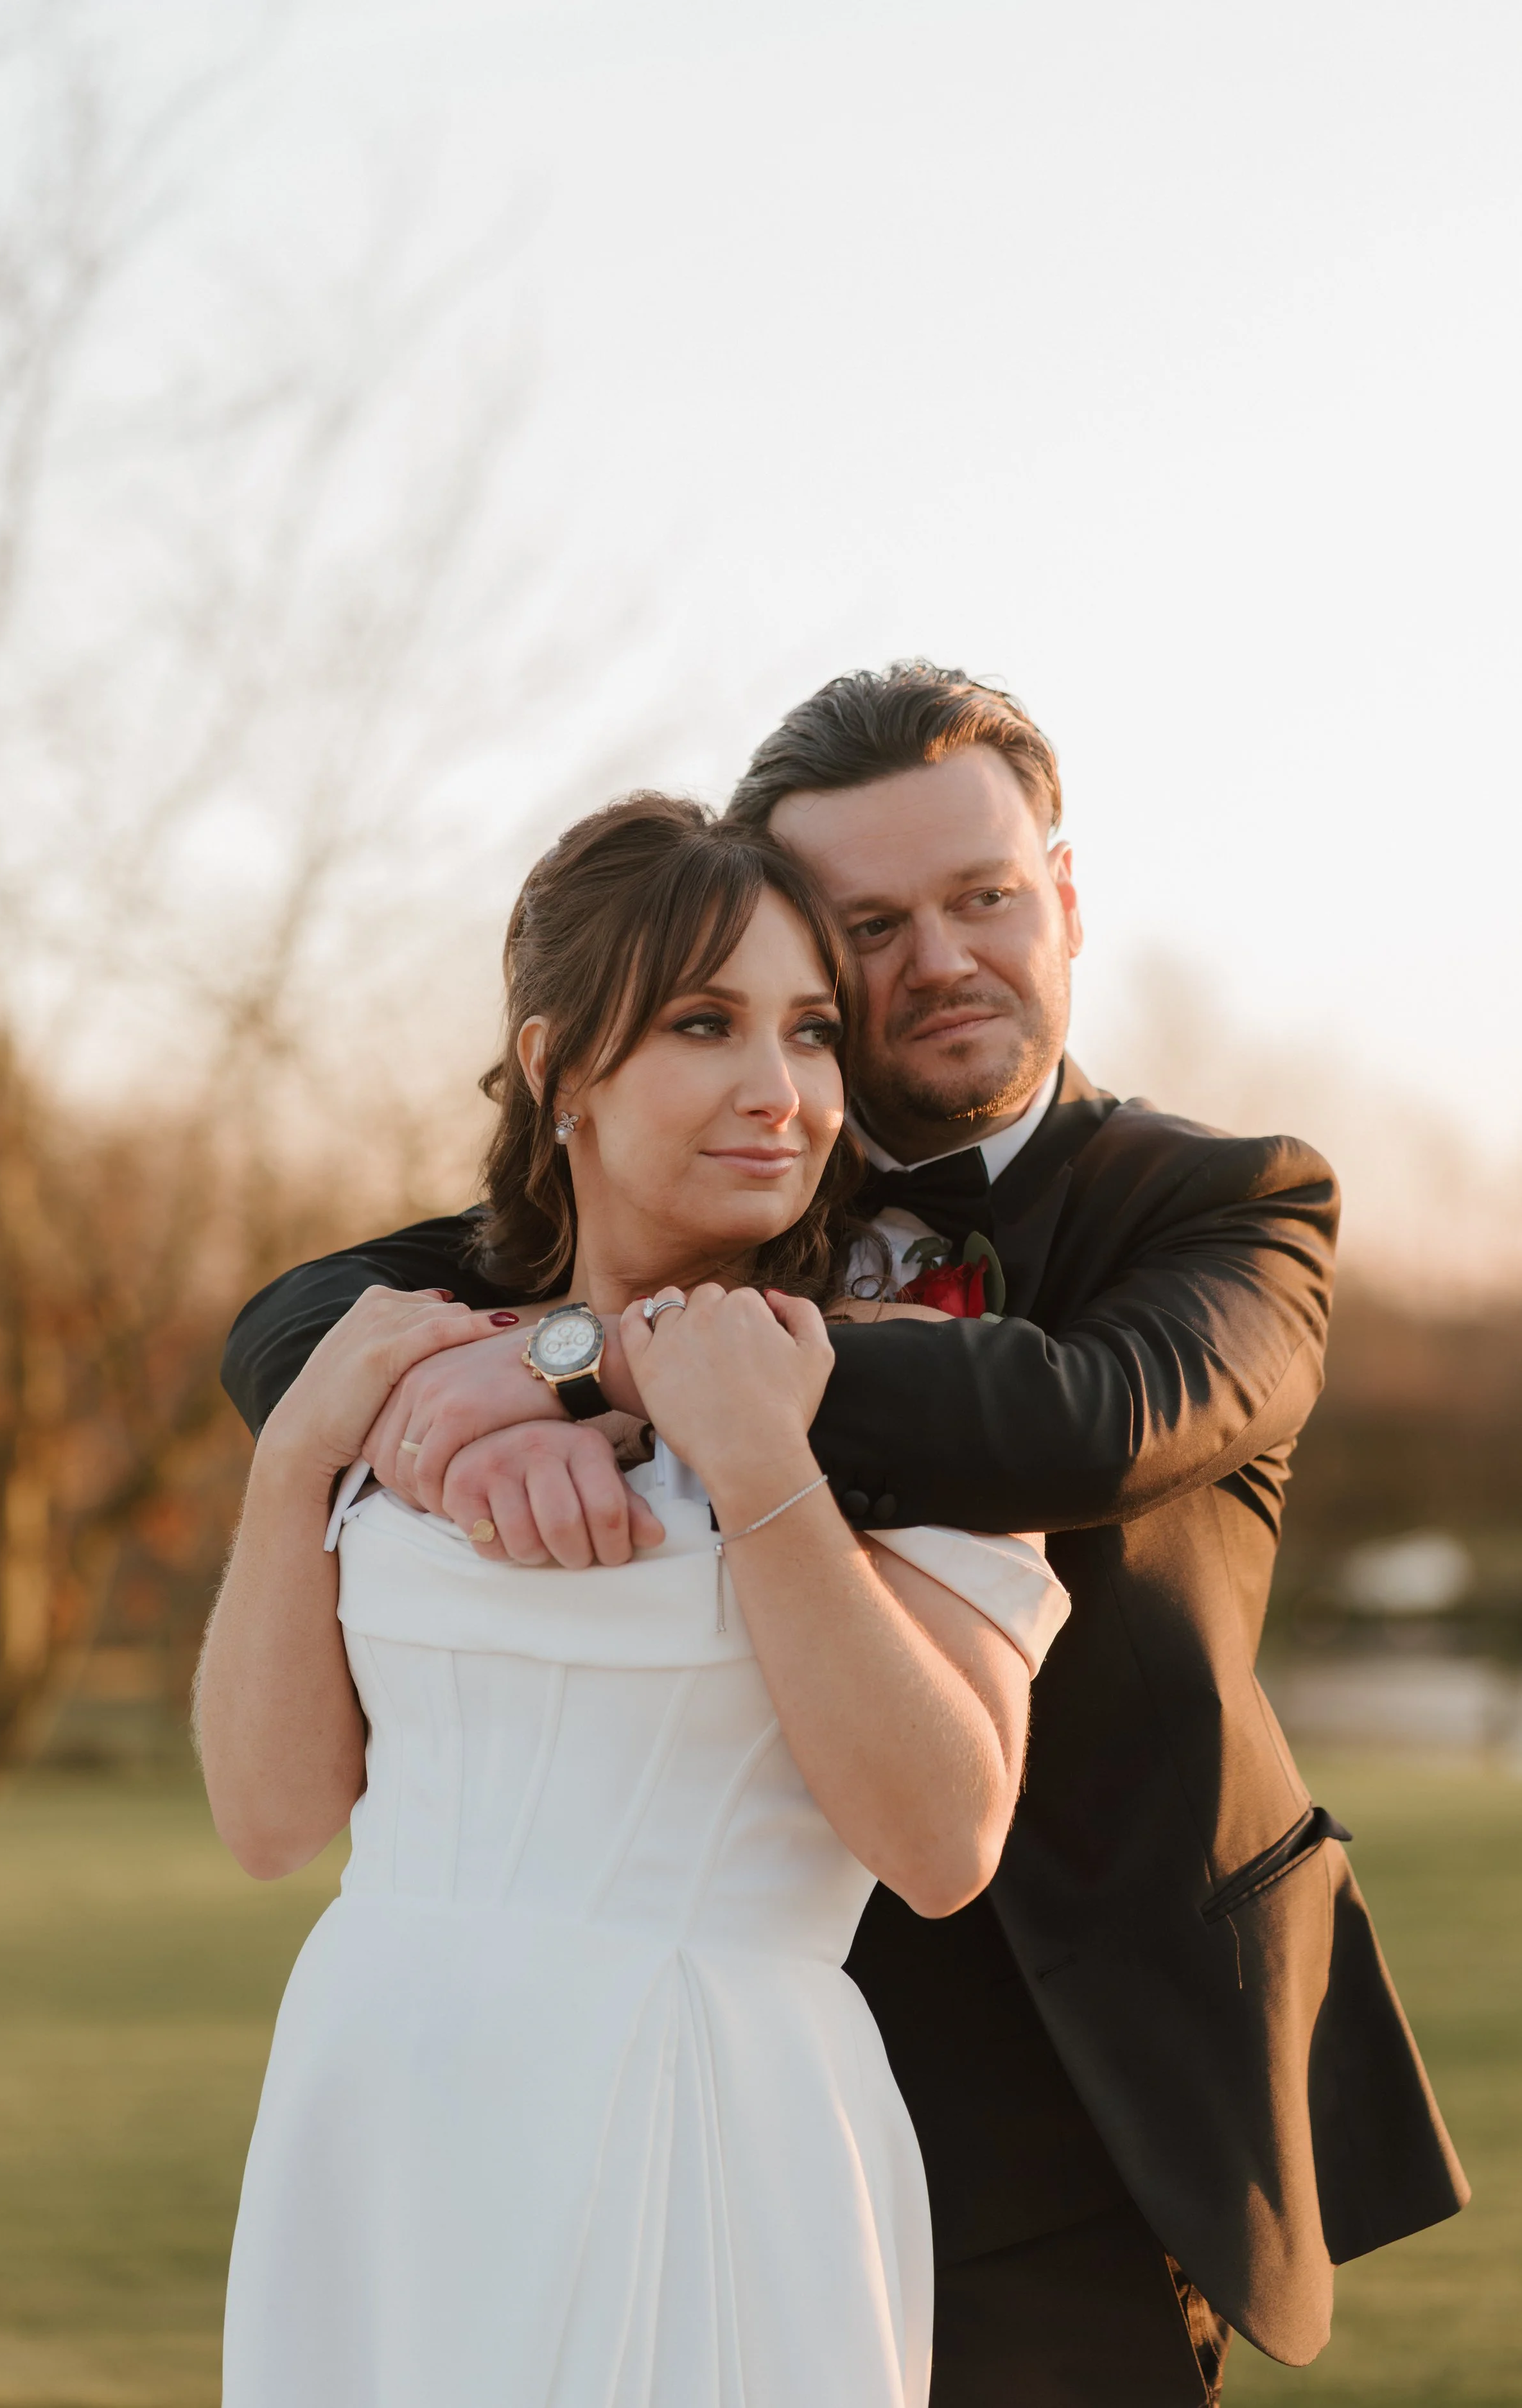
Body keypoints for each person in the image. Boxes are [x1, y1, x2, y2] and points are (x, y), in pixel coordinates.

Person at [222, 665, 1468, 2407]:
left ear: (1065, 897)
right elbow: (307, 1312)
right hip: (669, 2022)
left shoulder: (1225, 1196)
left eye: (983, 897)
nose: (941, 957)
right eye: (870, 926)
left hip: (1071, 2065)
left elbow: (1095, 1418)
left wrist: (640, 1378)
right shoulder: (738, 1158)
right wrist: (432, 1394)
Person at [198, 794, 1072, 2407]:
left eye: (811, 1035)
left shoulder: (906, 1400)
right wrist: (297, 1458)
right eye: (702, 1025)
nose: (779, 1093)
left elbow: (941, 1845)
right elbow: (267, 1821)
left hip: (709, 2100)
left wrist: (759, 1471)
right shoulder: (410, 1372)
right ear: (557, 1072)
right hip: (382, 2087)